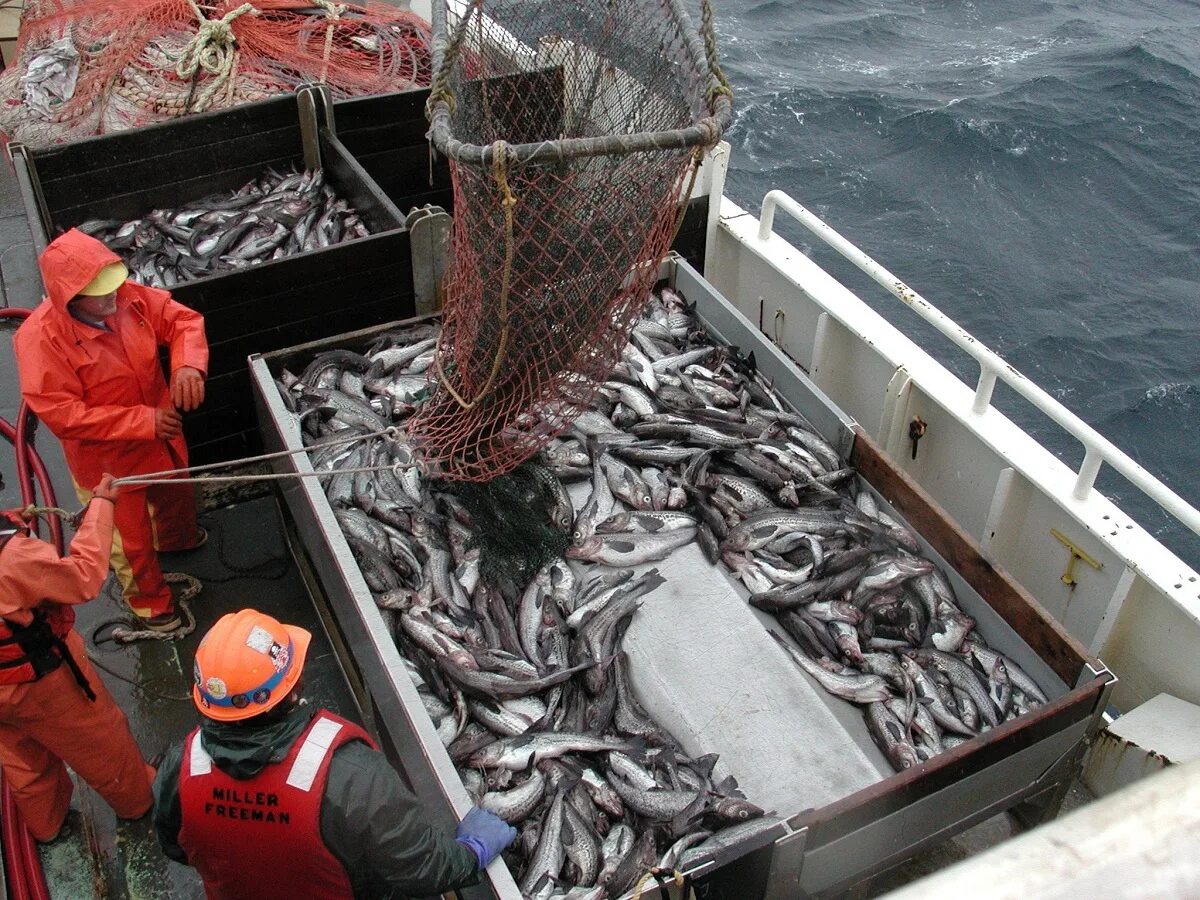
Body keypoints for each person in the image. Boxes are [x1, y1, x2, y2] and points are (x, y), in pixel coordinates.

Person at [153, 609, 516, 899]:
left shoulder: (180, 767)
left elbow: (177, 848)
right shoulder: (352, 774)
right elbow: (423, 870)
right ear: (292, 685)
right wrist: (471, 851)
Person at [15, 227, 209, 632]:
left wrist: (188, 364)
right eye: (99, 291)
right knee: (130, 544)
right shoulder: (38, 340)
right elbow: (64, 415)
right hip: (109, 465)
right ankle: (152, 607)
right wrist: (143, 421)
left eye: (112, 285)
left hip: (163, 440)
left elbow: (182, 321)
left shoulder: (129, 298)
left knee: (176, 499)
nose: (112, 297)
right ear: (69, 297)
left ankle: (179, 542)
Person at [0, 474, 156, 841]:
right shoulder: (13, 558)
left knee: (23, 760)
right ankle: (139, 804)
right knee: (101, 744)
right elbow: (83, 577)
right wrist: (102, 507)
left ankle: (47, 826)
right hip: (38, 684)